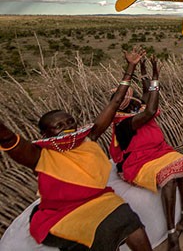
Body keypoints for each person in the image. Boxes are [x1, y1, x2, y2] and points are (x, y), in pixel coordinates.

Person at [0, 46, 152, 251]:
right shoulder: (39, 155)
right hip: (62, 212)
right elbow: (10, 140)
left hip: (99, 199)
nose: (67, 127)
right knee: (87, 237)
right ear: (46, 134)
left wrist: (130, 67)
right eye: (59, 126)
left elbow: (115, 102)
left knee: (128, 219)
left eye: (70, 122)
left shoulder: (88, 138)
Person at [109, 56, 183, 251]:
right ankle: (172, 234)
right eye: (133, 101)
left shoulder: (136, 111)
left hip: (158, 153)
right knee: (169, 176)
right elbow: (150, 108)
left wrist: (145, 71)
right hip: (138, 163)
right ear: (126, 106)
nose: (138, 102)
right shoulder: (124, 124)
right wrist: (156, 77)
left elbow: (148, 97)